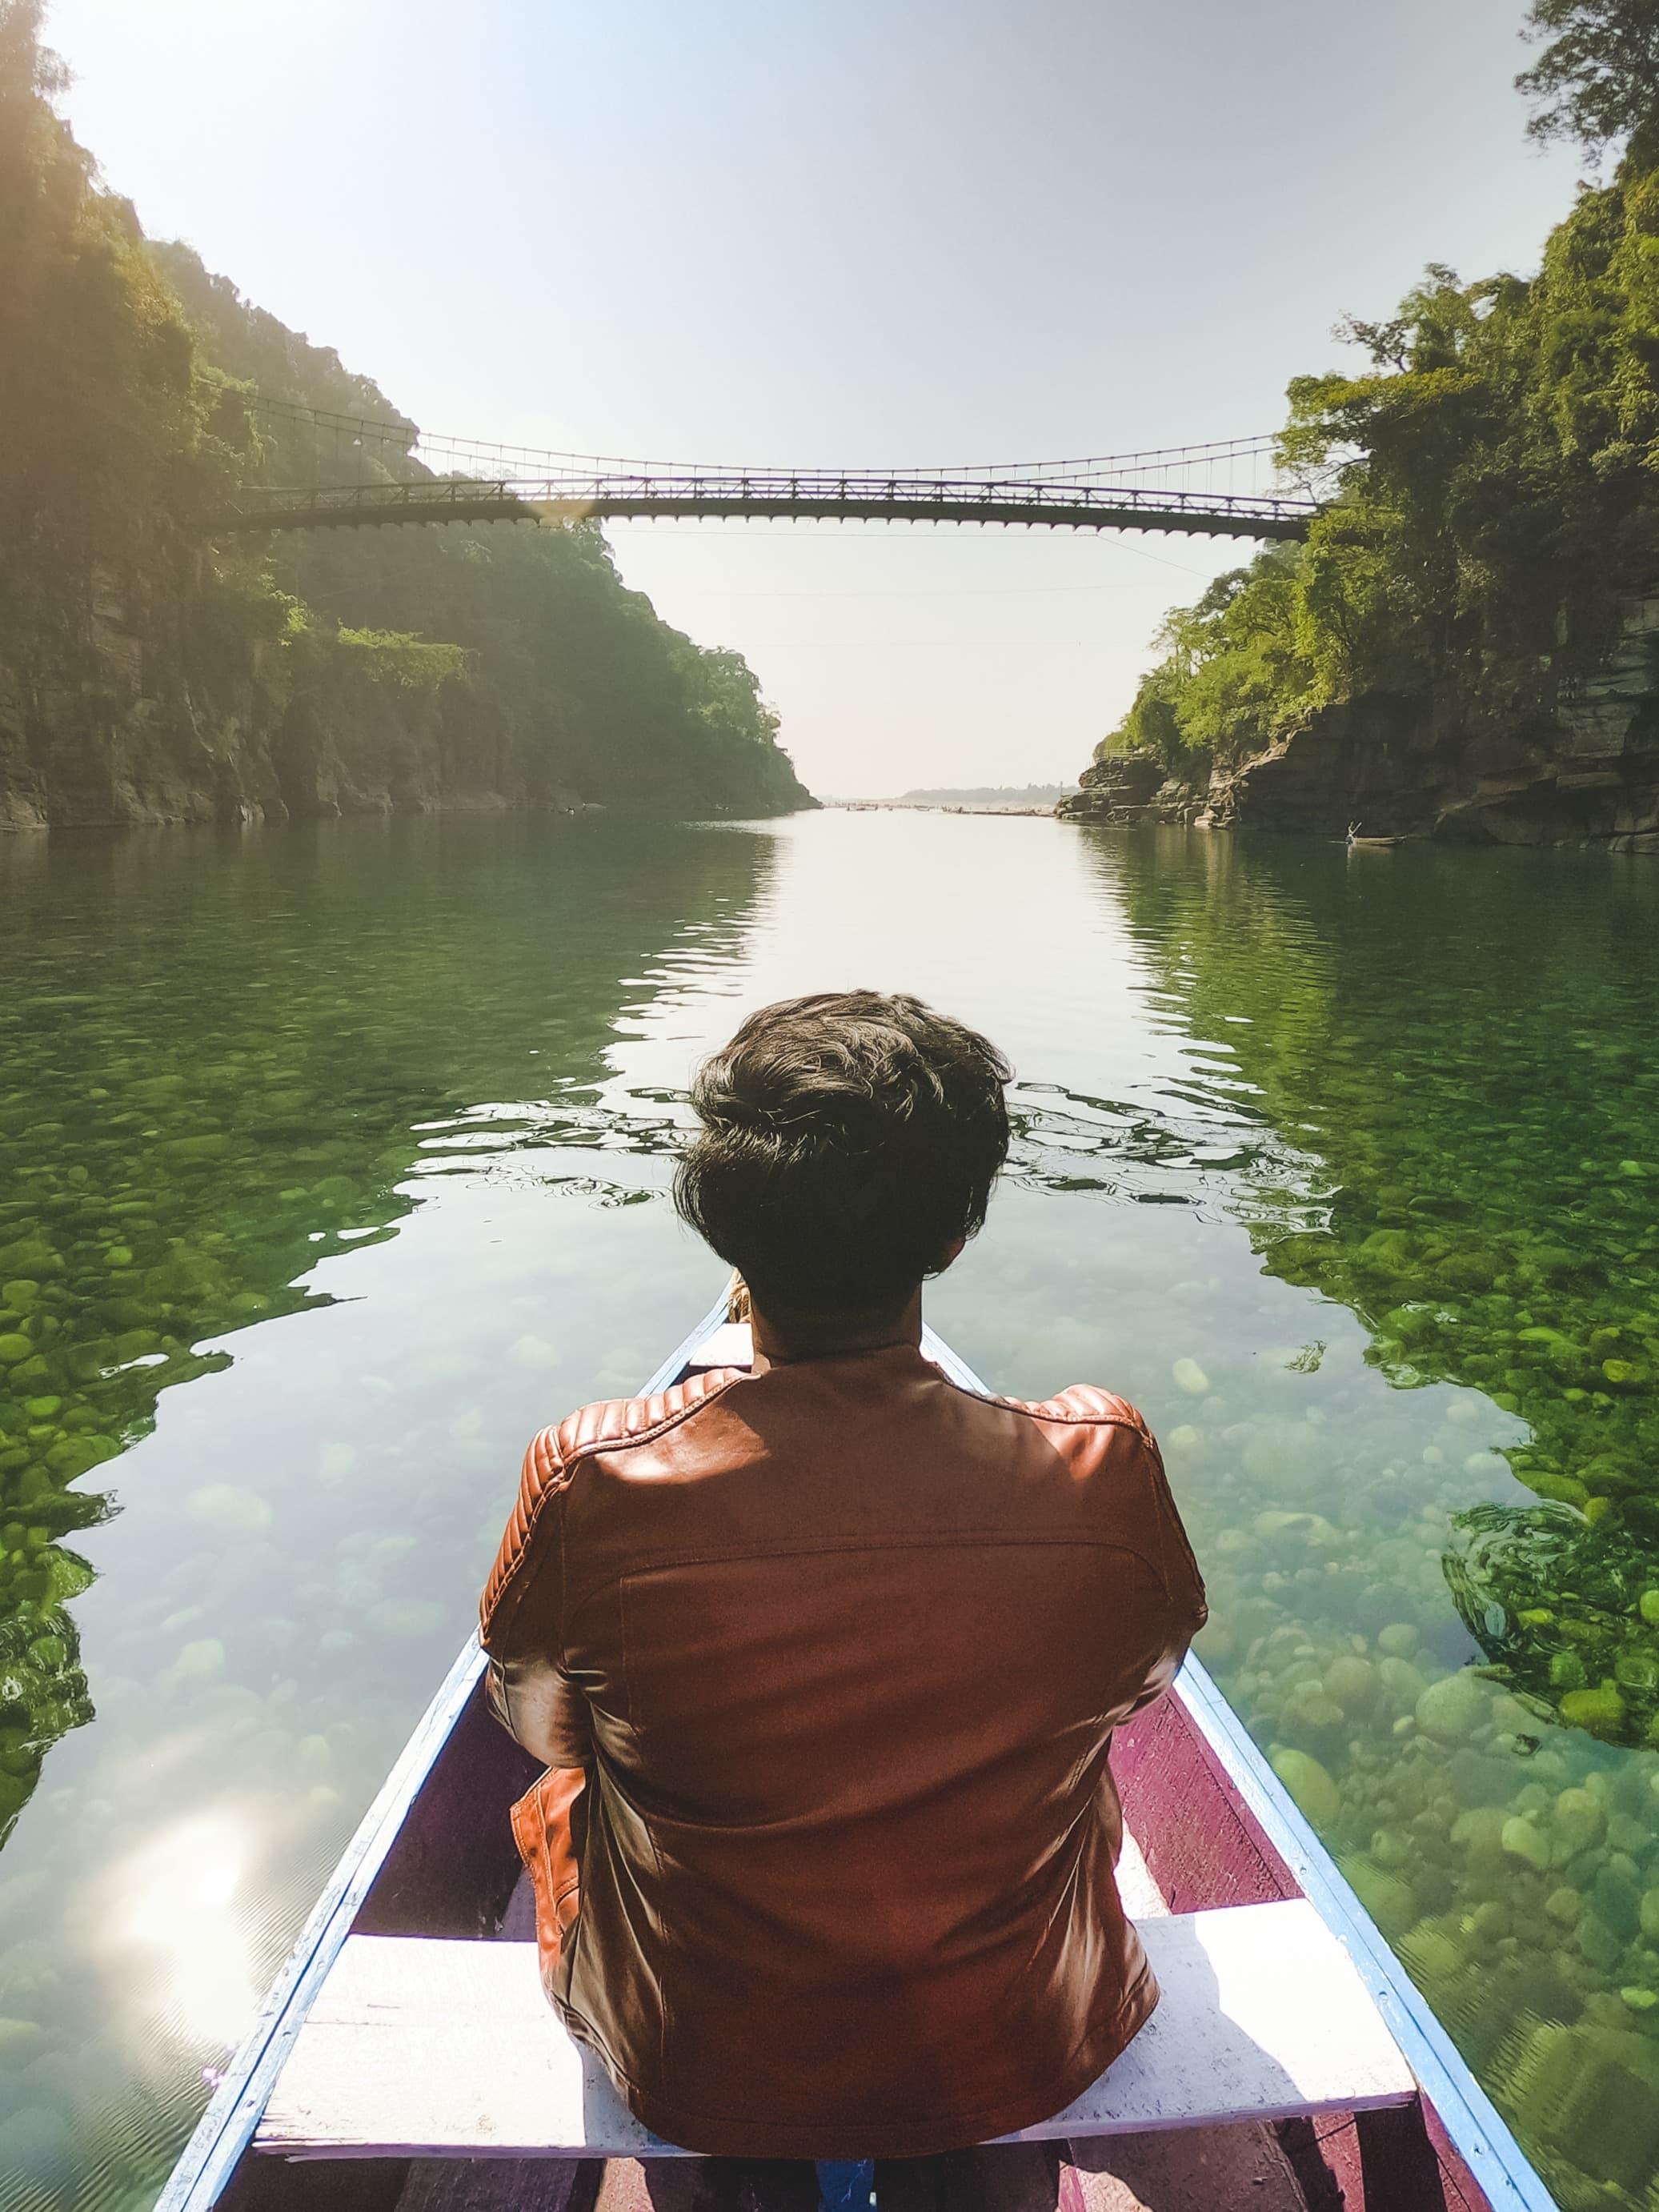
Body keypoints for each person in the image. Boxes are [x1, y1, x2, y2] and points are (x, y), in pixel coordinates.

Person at [480, 990, 1205, 2203]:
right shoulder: (1101, 1465)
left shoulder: (591, 1478)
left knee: (567, 1799)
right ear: (953, 1238)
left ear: (727, 1237)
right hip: (1023, 2023)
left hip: (698, 2039)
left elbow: (541, 1730)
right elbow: (1141, 1687)